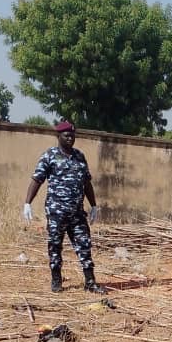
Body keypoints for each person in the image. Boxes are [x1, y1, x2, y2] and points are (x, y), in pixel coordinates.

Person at [23, 121, 105, 293]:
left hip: (77, 213)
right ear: (58, 136)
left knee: (84, 245)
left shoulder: (79, 156)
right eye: (67, 135)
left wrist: (94, 205)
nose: (70, 138)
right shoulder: (50, 156)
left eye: (73, 135)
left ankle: (90, 282)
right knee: (55, 245)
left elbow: (87, 183)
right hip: (56, 212)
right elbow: (37, 180)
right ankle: (56, 280)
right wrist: (27, 203)